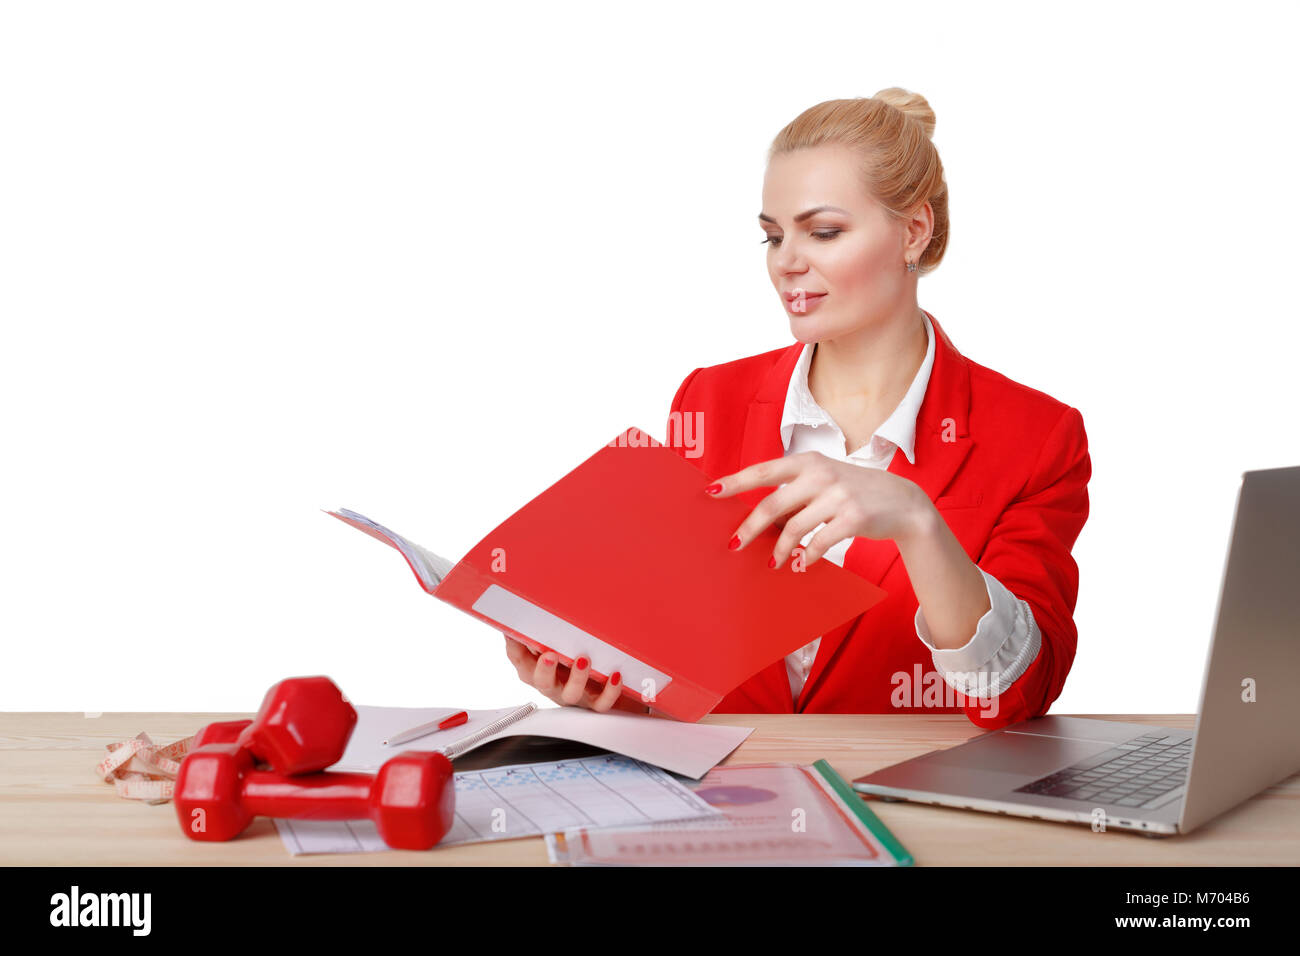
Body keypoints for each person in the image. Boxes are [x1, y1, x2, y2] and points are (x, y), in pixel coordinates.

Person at [504, 88, 1091, 728]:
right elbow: (683, 649)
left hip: (912, 803)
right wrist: (608, 680)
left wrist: (919, 524)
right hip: (727, 798)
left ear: (914, 231)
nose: (786, 262)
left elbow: (1021, 693)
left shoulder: (1037, 436)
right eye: (773, 236)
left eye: (824, 232)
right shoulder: (709, 400)